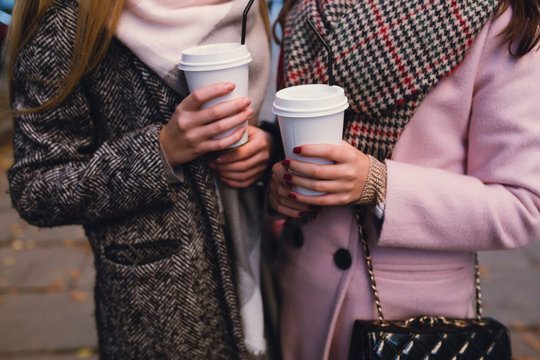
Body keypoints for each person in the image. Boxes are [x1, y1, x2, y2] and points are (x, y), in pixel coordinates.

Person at [267, 0, 540, 359]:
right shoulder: (308, 7)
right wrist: (277, 183)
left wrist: (381, 186)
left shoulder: (500, 15)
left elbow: (522, 206)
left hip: (412, 317)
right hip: (299, 295)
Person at [6, 0, 277, 358]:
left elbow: (261, 109)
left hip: (267, 262)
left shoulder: (248, 5)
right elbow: (35, 187)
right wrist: (161, 151)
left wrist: (267, 147)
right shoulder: (69, 12)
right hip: (162, 311)